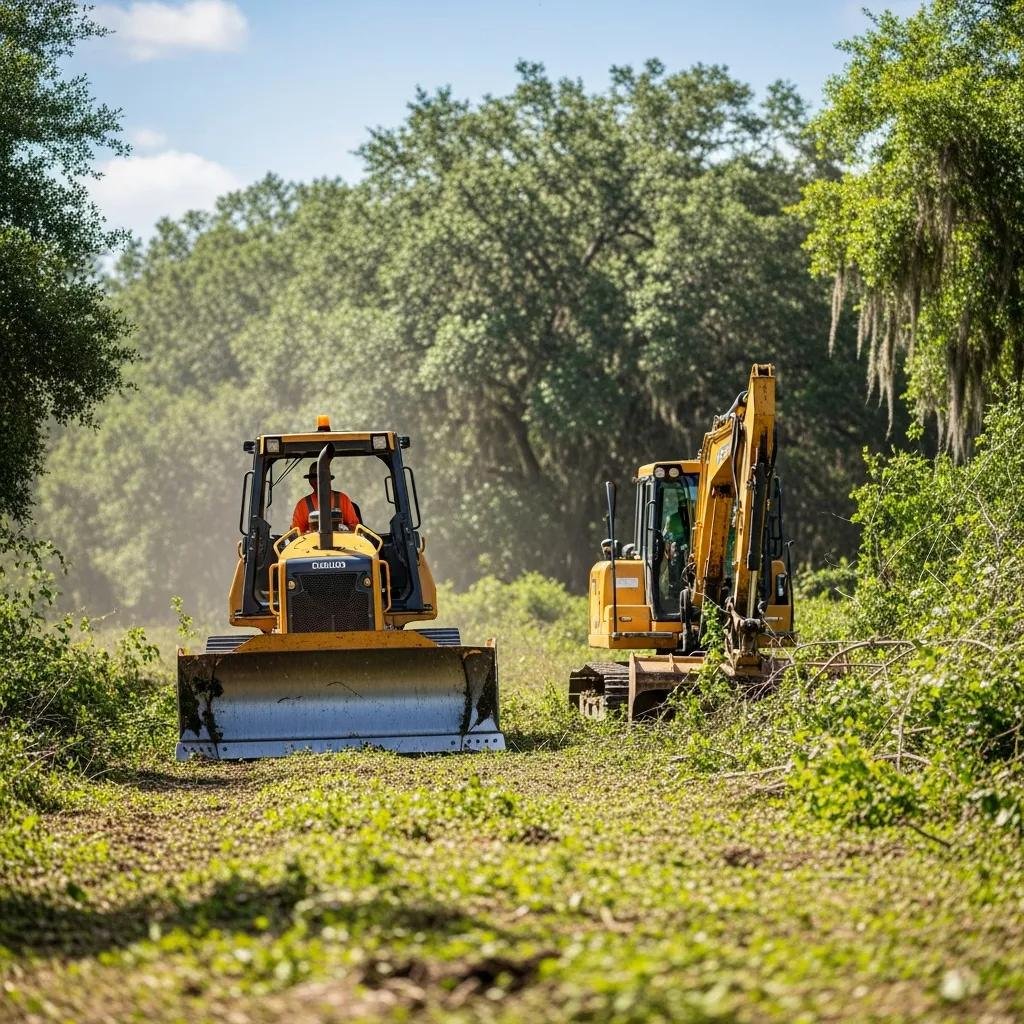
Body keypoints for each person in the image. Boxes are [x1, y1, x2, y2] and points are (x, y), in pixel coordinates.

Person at [290, 465, 360, 533]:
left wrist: (343, 528)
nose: (318, 480)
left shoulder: (342, 499)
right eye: (314, 477)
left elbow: (355, 527)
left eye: (322, 477)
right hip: (311, 544)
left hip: (342, 543)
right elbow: (296, 533)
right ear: (310, 481)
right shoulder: (302, 504)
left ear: (329, 478)